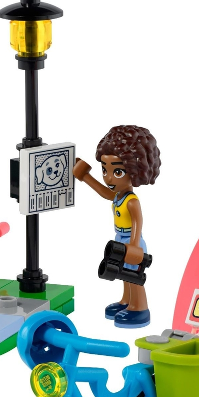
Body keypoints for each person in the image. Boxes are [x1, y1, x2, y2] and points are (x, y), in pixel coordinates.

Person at [73, 125, 161, 328]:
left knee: (134, 275)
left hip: (132, 240)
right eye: (105, 170)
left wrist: (134, 245)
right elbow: (105, 193)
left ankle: (140, 308)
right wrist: (85, 177)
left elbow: (138, 221)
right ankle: (126, 301)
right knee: (124, 272)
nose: (109, 178)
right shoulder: (119, 196)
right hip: (120, 238)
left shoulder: (131, 200)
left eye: (117, 171)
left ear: (135, 172)